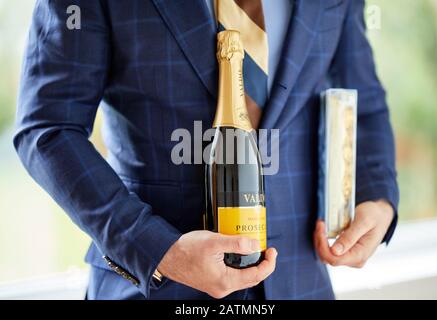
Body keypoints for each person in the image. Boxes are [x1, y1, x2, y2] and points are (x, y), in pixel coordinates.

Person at [14, 0, 399, 300]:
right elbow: (48, 128)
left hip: (301, 282)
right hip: (157, 286)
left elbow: (362, 99)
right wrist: (158, 248)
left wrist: (377, 196)